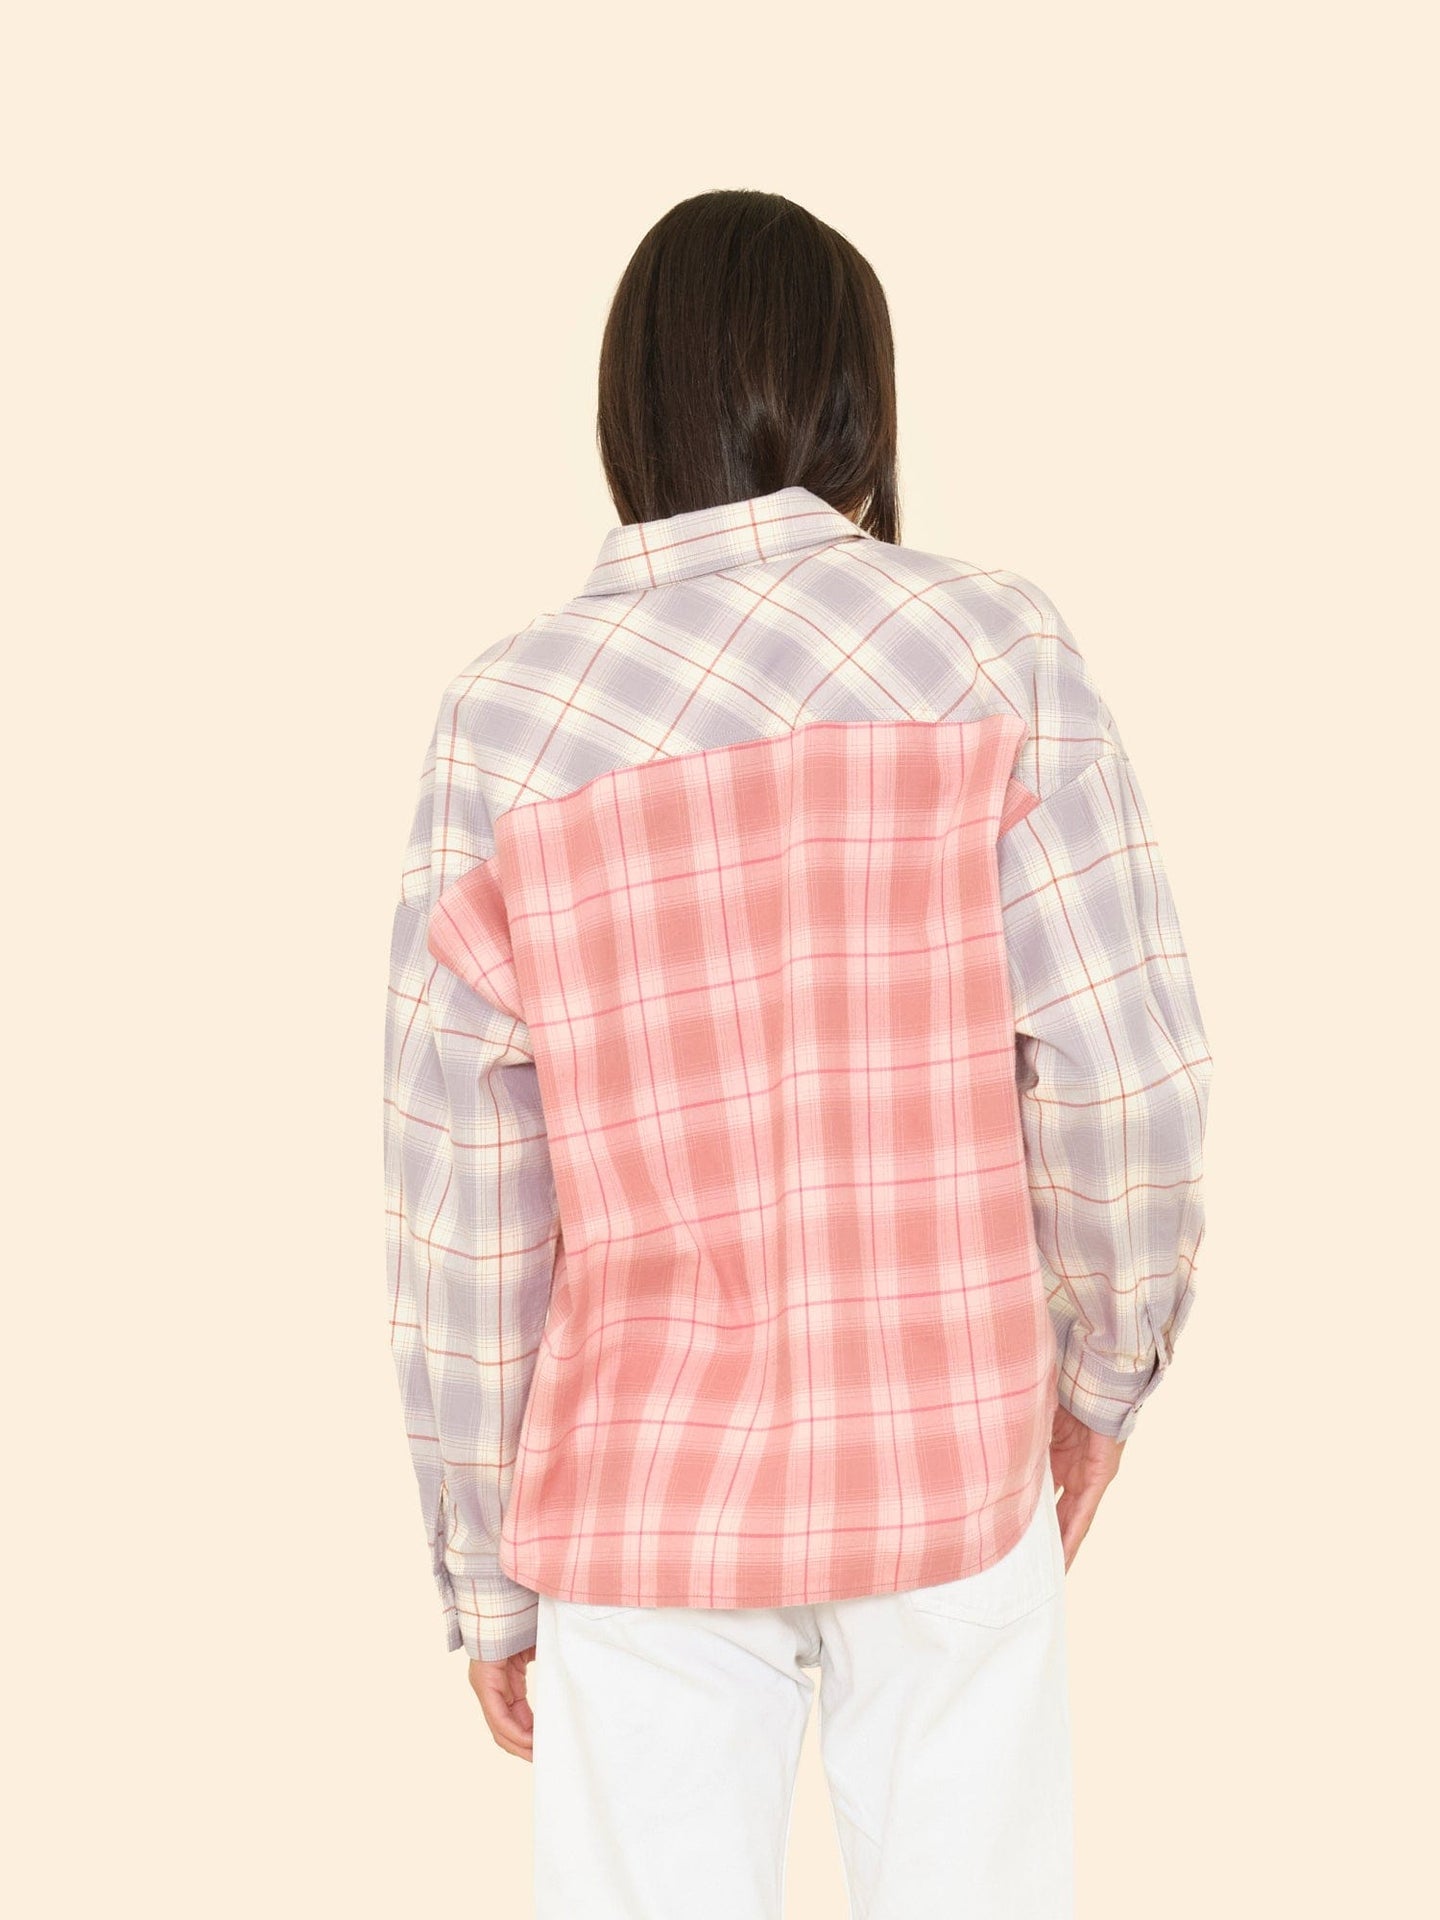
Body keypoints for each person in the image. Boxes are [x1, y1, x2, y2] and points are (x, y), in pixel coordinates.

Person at [381, 188, 1212, 1920]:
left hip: (640, 1497)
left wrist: (486, 1569)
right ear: (855, 398)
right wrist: (1103, 1372)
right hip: (950, 1452)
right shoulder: (988, 648)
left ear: (628, 408)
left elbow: (464, 1202)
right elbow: (1122, 1077)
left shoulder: (506, 722)